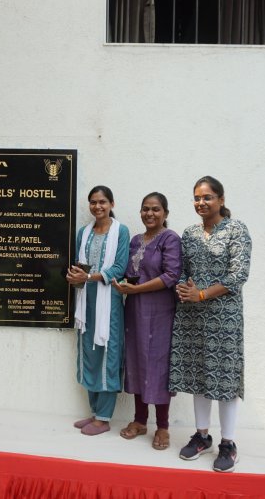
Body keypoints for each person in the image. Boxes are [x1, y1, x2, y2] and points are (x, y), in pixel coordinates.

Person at [169, 176, 252, 473]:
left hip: (224, 317)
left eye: (207, 197)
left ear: (221, 199)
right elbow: (182, 270)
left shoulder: (236, 230)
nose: (201, 203)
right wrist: (182, 288)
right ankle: (202, 435)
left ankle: (228, 444)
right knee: (199, 375)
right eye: (196, 198)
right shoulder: (189, 234)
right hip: (192, 316)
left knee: (225, 377)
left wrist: (202, 294)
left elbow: (237, 276)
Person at [112, 192, 181, 449]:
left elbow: (171, 275)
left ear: (165, 213)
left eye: (155, 209)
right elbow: (132, 273)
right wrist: (123, 284)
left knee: (159, 366)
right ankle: (140, 421)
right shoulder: (136, 240)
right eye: (145, 209)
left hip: (160, 311)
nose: (149, 214)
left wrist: (136, 290)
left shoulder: (170, 238)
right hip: (135, 310)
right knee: (138, 360)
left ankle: (162, 427)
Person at [66, 186, 130, 436]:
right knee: (89, 353)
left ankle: (104, 419)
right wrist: (75, 278)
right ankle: (94, 412)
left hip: (109, 301)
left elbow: (120, 267)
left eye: (102, 202)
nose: (97, 207)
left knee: (107, 354)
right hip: (86, 300)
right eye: (93, 202)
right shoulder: (84, 232)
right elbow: (78, 265)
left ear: (112, 203)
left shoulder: (120, 231)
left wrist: (90, 276)